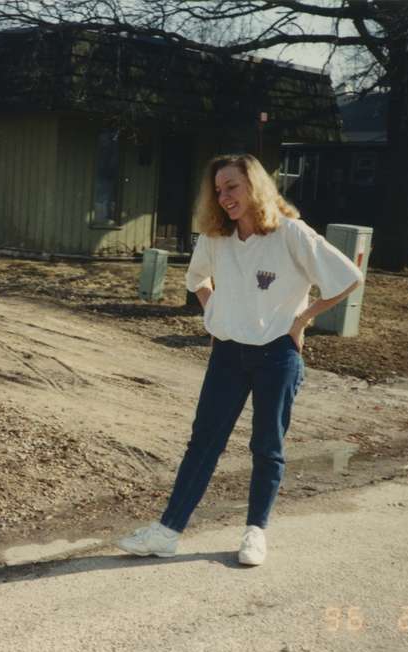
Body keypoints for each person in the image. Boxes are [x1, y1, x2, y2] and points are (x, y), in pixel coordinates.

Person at [117, 154, 362, 566]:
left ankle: (255, 533)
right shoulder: (216, 237)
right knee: (203, 444)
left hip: (277, 356)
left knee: (267, 446)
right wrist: (217, 314)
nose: (224, 197)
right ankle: (168, 531)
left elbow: (349, 278)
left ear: (255, 186)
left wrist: (301, 320)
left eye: (232, 186)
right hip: (227, 354)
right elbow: (196, 278)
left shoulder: (291, 234)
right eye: (218, 190)